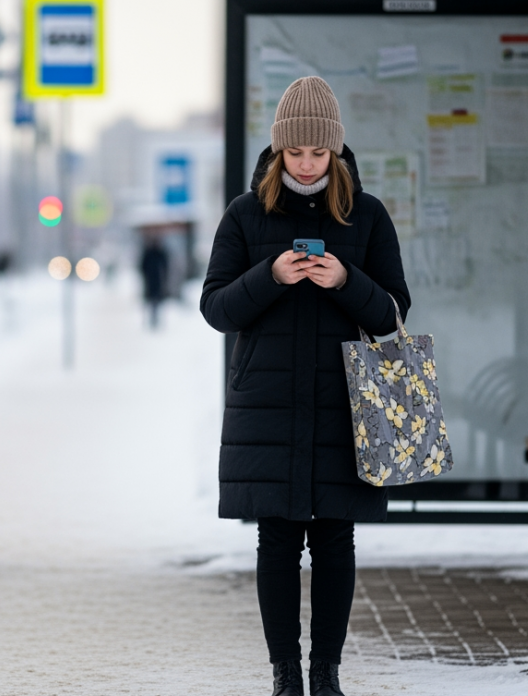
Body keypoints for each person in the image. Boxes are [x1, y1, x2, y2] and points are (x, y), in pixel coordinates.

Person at [199, 77, 410, 696]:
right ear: (279, 151)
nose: (309, 164)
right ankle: (284, 675)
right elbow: (215, 308)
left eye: (320, 153)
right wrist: (271, 275)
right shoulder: (245, 214)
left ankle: (327, 674)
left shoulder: (366, 215)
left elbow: (395, 308)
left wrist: (346, 278)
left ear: (337, 151)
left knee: (336, 538)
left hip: (347, 404)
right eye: (297, 153)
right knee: (277, 541)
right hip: (267, 404)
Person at [140, 237, 169, 329]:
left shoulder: (155, 253)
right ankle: (153, 318)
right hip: (153, 280)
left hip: (155, 280)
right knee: (153, 300)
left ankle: (154, 318)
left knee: (155, 300)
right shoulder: (151, 253)